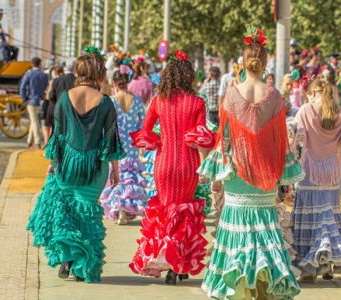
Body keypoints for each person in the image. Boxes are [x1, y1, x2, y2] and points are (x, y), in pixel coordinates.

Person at [199, 26, 303, 300]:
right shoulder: (276, 96)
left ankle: (239, 290)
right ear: (266, 63)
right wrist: (282, 180)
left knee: (238, 238)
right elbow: (281, 142)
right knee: (266, 238)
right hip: (266, 177)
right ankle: (265, 291)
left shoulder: (232, 95)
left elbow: (225, 140)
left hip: (237, 175)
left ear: (242, 63)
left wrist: (217, 178)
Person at [26, 48, 126, 283]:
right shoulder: (105, 102)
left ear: (79, 72)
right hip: (95, 168)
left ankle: (68, 257)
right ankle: (82, 268)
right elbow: (111, 138)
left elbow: (58, 135)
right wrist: (116, 171)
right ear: (99, 73)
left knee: (68, 213)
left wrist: (53, 163)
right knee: (87, 216)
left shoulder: (65, 97)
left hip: (68, 164)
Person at [129, 50, 216, 284]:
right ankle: (179, 265)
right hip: (189, 166)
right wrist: (207, 168)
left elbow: (146, 132)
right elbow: (200, 139)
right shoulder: (198, 102)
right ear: (189, 78)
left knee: (167, 213)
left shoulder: (158, 102)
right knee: (185, 214)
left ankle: (168, 262)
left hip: (164, 164)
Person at [290, 77, 341, 283]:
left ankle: (309, 269)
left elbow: (292, 141)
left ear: (313, 93)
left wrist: (286, 172)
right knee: (329, 217)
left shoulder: (305, 110)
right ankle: (327, 263)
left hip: (309, 173)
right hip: (332, 174)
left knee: (310, 221)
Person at [100, 70, 148, 225]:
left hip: (116, 143)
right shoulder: (138, 100)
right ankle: (126, 209)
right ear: (128, 82)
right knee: (130, 176)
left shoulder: (111, 101)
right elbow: (143, 122)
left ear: (114, 84)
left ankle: (119, 209)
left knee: (117, 174)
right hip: (132, 143)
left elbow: (106, 125)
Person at [46, 58, 76, 144]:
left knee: (58, 133)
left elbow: (52, 96)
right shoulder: (77, 80)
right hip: (73, 111)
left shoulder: (57, 80)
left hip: (59, 110)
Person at [20, 57, 49, 149]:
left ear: (32, 65)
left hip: (31, 100)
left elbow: (22, 87)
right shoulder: (45, 75)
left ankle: (36, 142)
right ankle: (29, 141)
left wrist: (24, 99)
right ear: (40, 65)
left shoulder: (28, 74)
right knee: (36, 121)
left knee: (34, 121)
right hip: (42, 101)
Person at [43, 66, 64, 145]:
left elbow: (48, 96)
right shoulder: (65, 80)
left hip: (52, 105)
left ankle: (47, 147)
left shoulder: (53, 81)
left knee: (46, 127)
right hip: (62, 107)